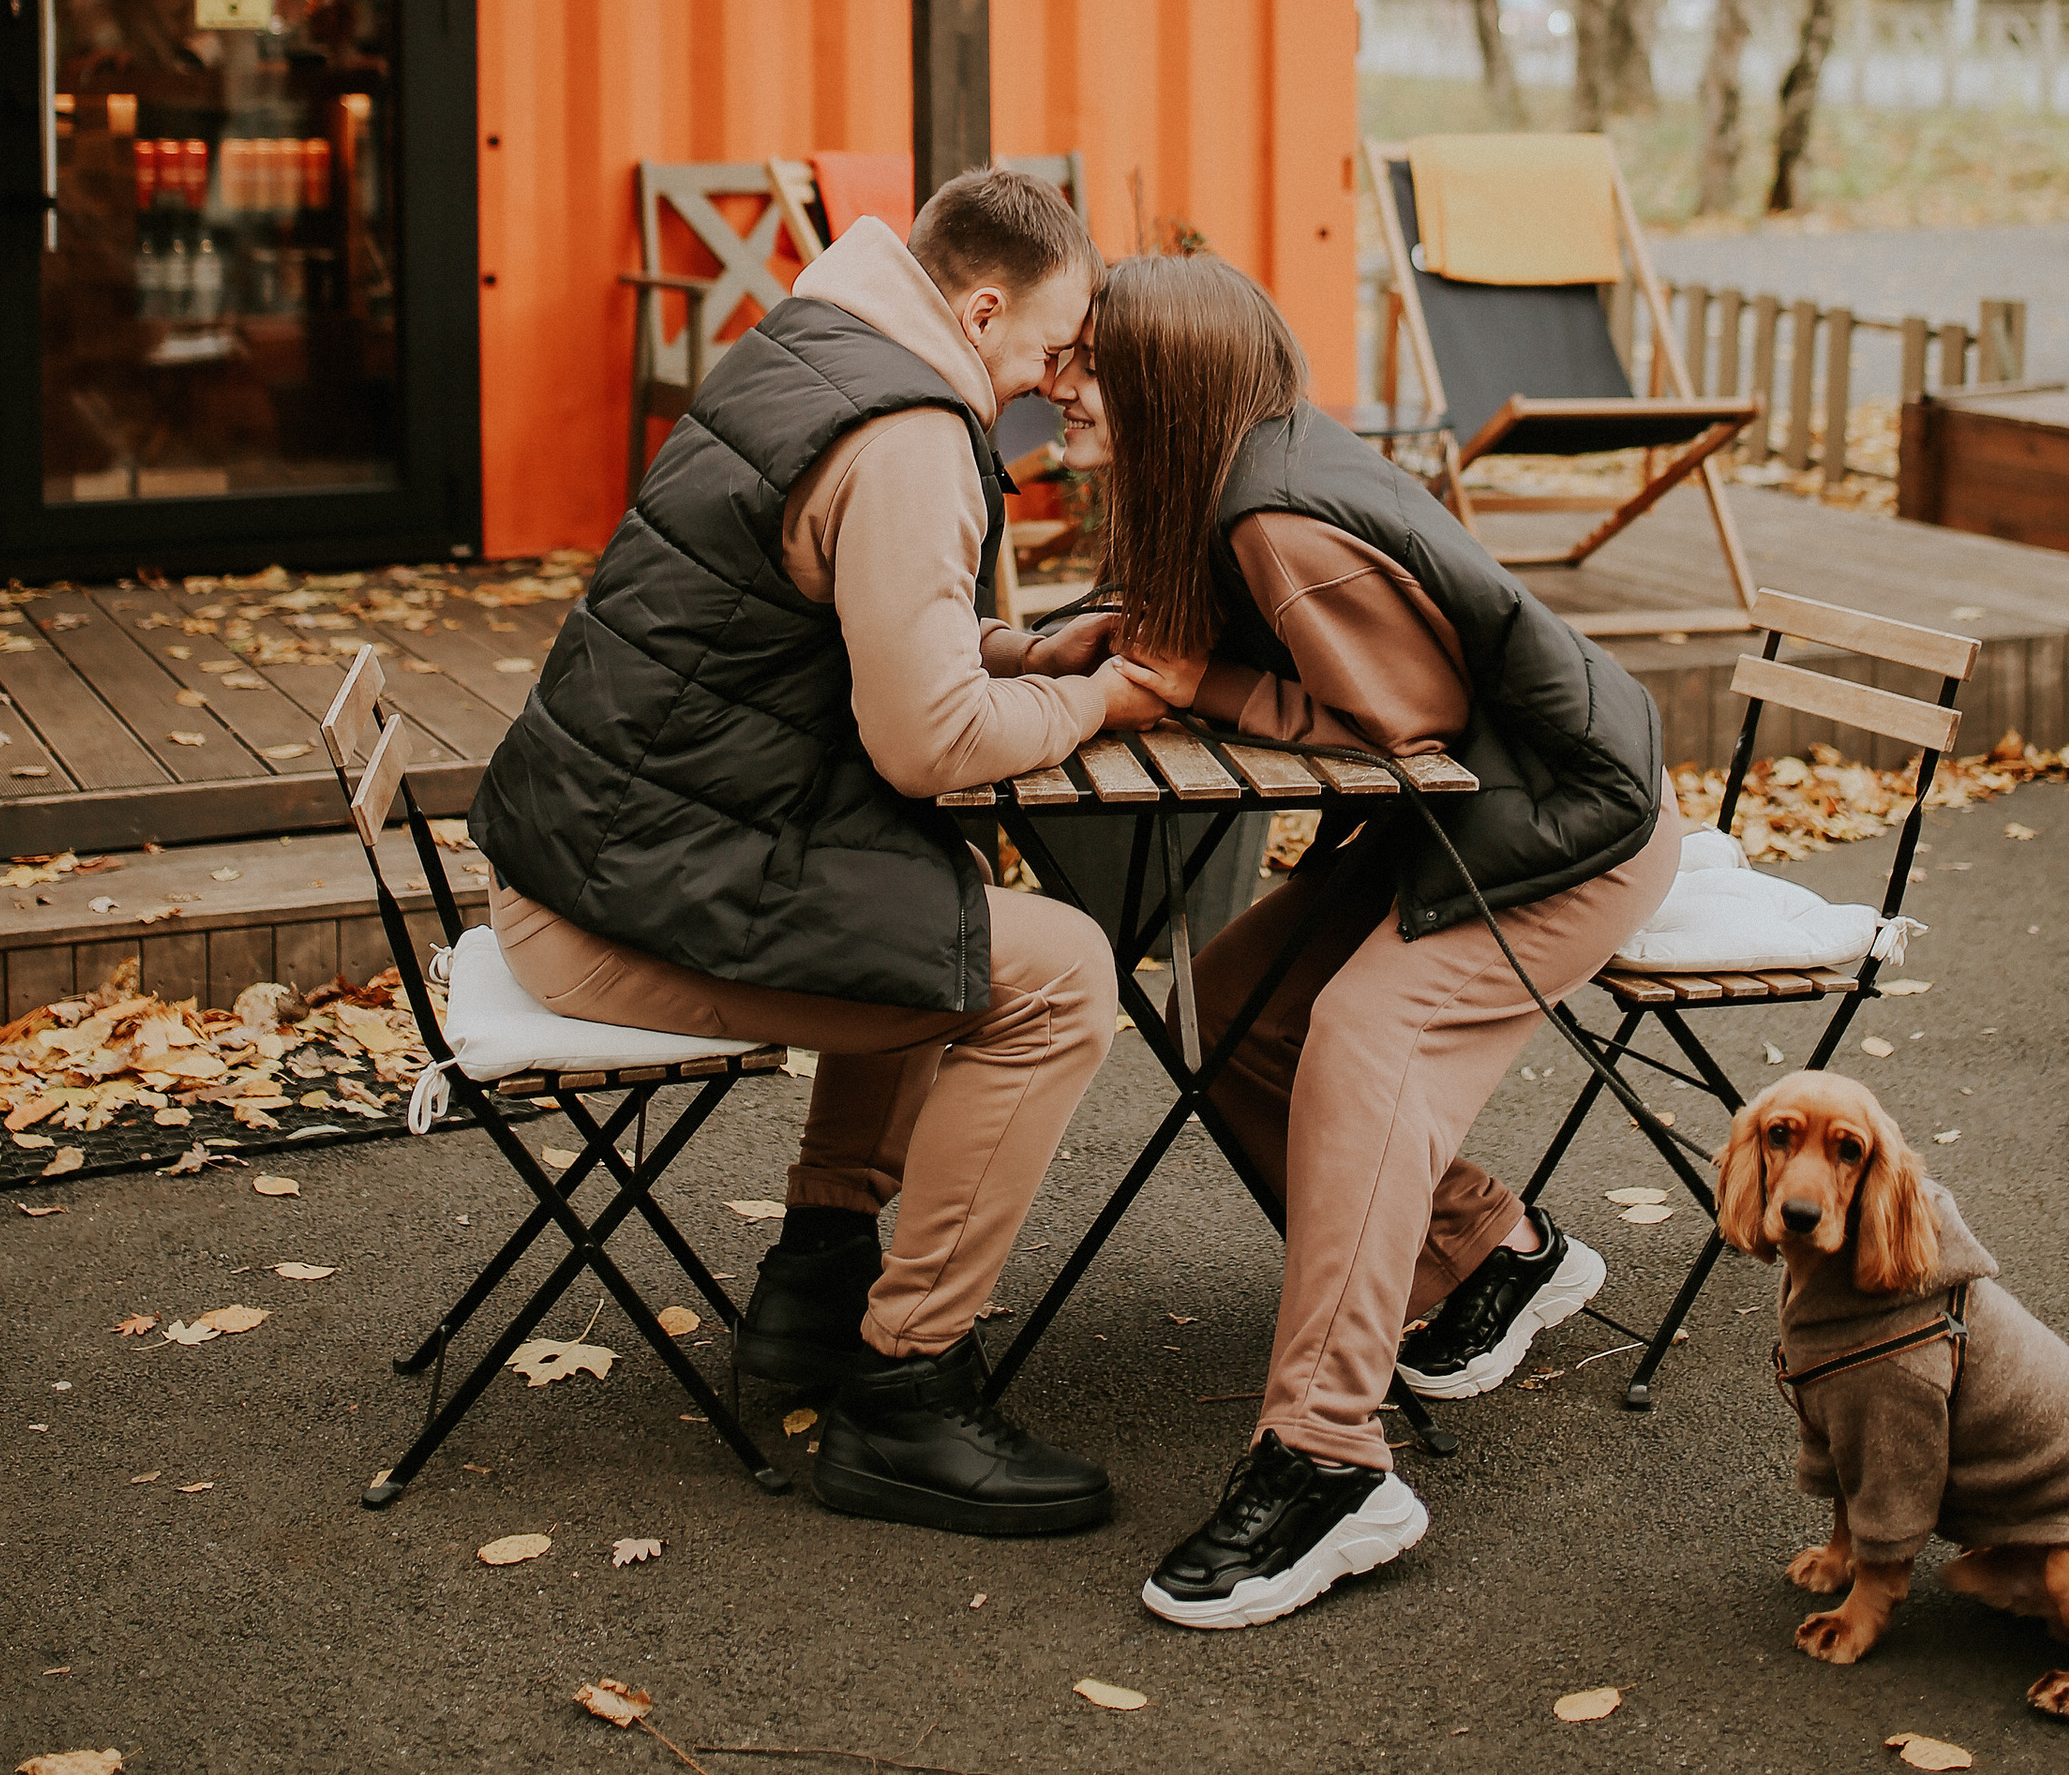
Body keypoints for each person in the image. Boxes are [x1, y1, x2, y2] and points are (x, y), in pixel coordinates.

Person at [470, 166, 1171, 1540]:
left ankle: (817, 1284)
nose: (1046, 382)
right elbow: (925, 746)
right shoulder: (912, 434)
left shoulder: (807, 349)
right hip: (608, 909)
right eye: (1043, 349)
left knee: (933, 906)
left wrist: (1022, 652)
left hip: (598, 853)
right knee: (1062, 975)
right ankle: (902, 1396)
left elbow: (832, 638)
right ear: (978, 309)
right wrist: (1100, 698)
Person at [1053, 252, 1682, 1629]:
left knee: (1359, 1034)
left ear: (1167, 386)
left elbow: (1405, 725)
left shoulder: (1277, 515)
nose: (1055, 382)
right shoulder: (1243, 471)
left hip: (1566, 828)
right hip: (1474, 813)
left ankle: (1330, 1459)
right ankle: (1490, 1252)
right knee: (1229, 1006)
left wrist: (1194, 680)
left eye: (1085, 363)